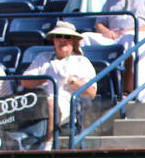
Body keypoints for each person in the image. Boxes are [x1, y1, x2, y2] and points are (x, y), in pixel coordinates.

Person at [19, 20, 98, 149]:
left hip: (69, 103)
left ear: (73, 40)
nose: (62, 40)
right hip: (37, 99)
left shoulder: (81, 62)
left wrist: (69, 79)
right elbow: (24, 82)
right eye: (58, 36)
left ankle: (48, 145)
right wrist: (47, 78)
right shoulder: (42, 58)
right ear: (54, 39)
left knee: (50, 102)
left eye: (67, 37)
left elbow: (91, 92)